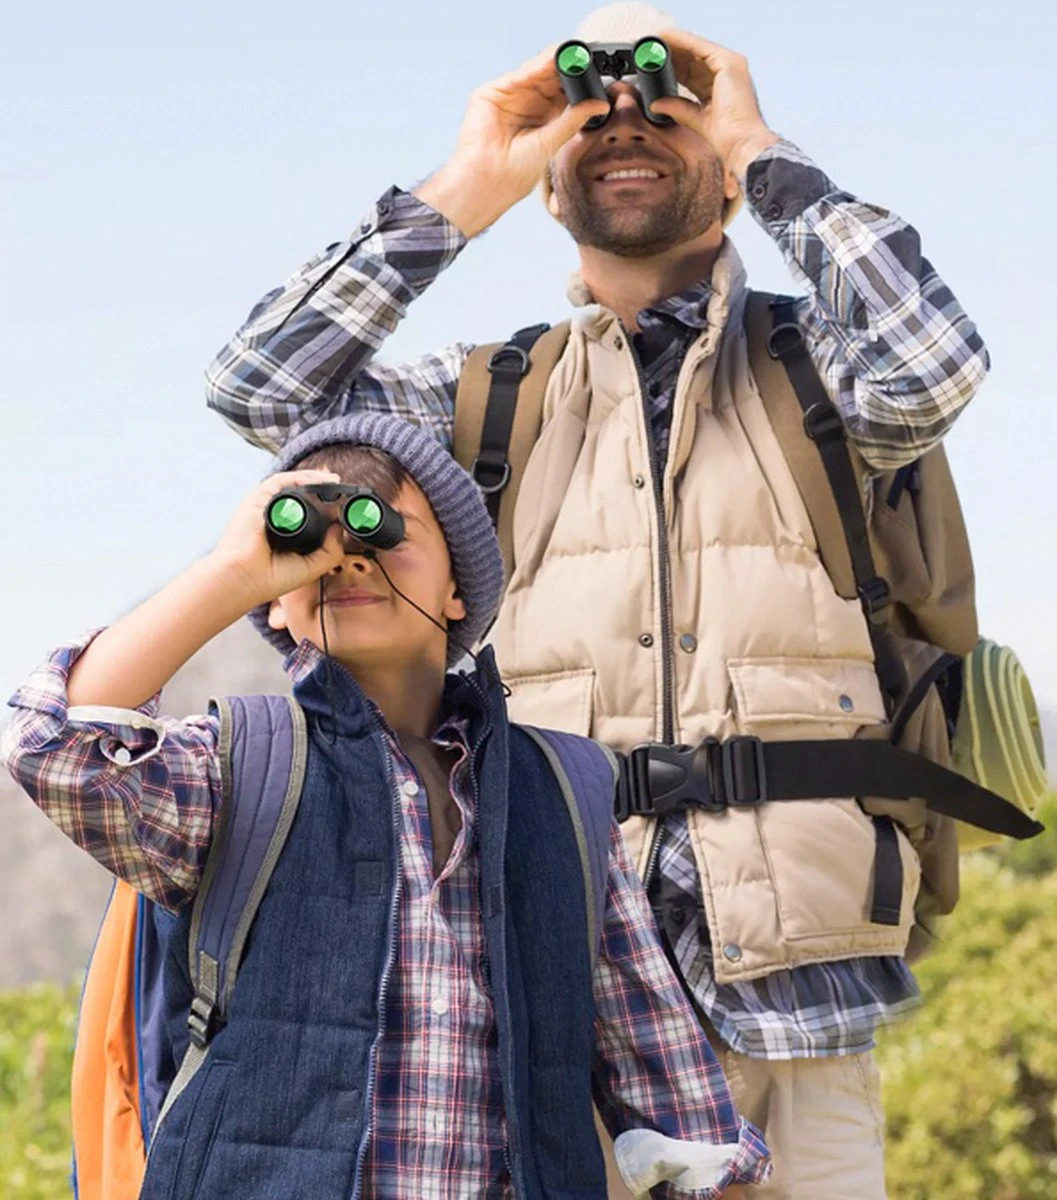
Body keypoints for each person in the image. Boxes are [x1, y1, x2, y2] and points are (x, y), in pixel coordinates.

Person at [201, 4, 991, 1196]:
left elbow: (933, 362)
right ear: (550, 189)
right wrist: (472, 180)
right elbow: (261, 391)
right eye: (590, 110)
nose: (623, 119)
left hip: (800, 994)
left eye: (663, 104)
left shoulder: (817, 374)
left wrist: (761, 146)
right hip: (556, 977)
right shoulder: (483, 403)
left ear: (722, 176)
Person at [2, 414, 770, 1199]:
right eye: (313, 545)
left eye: (382, 529)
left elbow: (661, 1066)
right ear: (273, 604)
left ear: (458, 586)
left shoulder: (562, 788)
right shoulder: (237, 768)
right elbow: (48, 746)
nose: (349, 557)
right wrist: (235, 570)